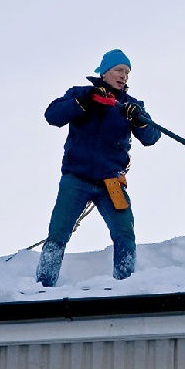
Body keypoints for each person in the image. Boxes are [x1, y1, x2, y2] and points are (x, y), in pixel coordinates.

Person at [36, 49, 161, 287]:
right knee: (58, 233)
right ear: (104, 72)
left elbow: (152, 136)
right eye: (118, 70)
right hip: (76, 178)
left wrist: (138, 119)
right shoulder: (80, 95)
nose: (123, 75)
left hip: (111, 182)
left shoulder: (131, 106)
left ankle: (125, 284)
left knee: (124, 233)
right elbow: (52, 115)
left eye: (127, 72)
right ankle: (43, 285)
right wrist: (83, 101)